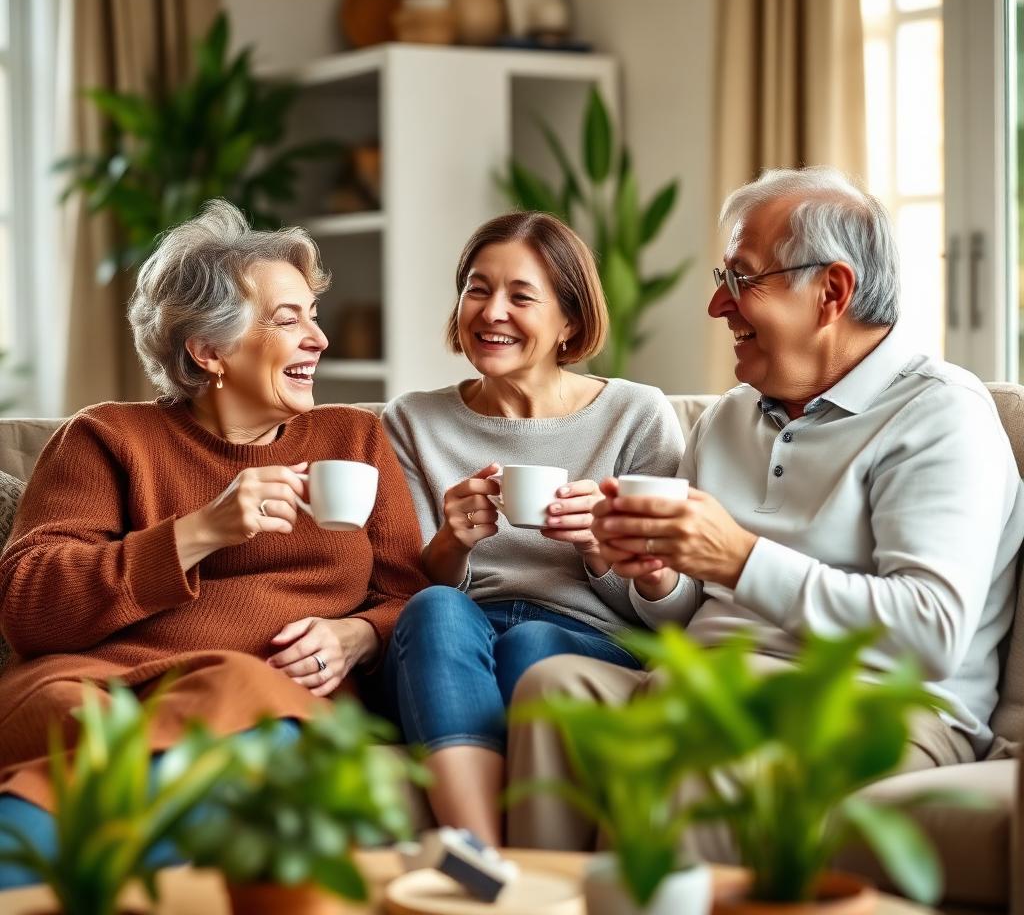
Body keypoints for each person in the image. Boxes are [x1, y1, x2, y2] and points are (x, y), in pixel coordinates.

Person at [506, 167, 1024, 851]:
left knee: (700, 729)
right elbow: (685, 611)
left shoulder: (939, 414)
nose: (718, 307)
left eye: (742, 280)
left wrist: (741, 557)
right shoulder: (727, 419)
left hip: (874, 708)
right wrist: (658, 576)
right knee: (554, 689)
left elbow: (932, 631)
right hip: (712, 683)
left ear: (831, 292)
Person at [0, 200, 427, 886]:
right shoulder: (107, 438)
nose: (318, 338)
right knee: (127, 731)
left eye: (312, 315)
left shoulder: (354, 441)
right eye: (288, 320)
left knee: (255, 710)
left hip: (267, 700)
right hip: (103, 694)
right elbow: (29, 605)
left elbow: (410, 598)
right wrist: (201, 533)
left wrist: (362, 637)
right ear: (209, 350)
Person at [380, 211, 686, 843]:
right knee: (437, 605)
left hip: (591, 635)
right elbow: (402, 590)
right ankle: (487, 860)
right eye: (477, 289)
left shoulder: (636, 415)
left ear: (568, 321)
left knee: (532, 649)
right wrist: (451, 543)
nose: (492, 312)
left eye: (521, 296)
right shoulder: (412, 420)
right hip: (454, 636)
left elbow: (673, 609)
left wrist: (602, 550)